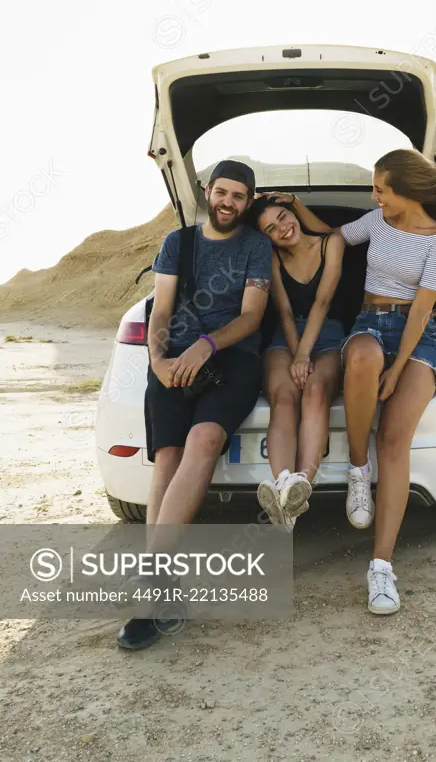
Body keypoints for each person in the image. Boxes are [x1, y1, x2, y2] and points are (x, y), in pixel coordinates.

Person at [263, 148, 436, 615]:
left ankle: (381, 567)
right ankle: (358, 470)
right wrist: (295, 206)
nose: (374, 195)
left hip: (418, 335)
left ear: (407, 192)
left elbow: (422, 310)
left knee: (396, 440)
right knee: (360, 360)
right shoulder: (376, 222)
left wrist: (398, 370)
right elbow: (328, 236)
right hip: (370, 322)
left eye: (381, 188)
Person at [117, 159, 272, 651]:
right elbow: (159, 310)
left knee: (203, 439)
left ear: (248, 202)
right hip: (172, 360)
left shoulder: (255, 246)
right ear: (207, 191)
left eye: (239, 196)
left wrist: (207, 343)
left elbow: (251, 317)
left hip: (233, 359)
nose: (228, 202)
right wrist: (159, 358)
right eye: (221, 192)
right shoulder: (176, 243)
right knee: (168, 455)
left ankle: (152, 586)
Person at [246, 195, 345, 531]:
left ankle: (300, 488)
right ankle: (284, 484)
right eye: (271, 229)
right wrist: (295, 353)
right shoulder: (272, 257)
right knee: (285, 397)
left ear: (295, 212)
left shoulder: (331, 243)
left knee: (315, 391)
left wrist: (304, 355)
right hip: (283, 338)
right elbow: (285, 310)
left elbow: (323, 300)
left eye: (284, 217)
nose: (283, 229)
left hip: (330, 335)